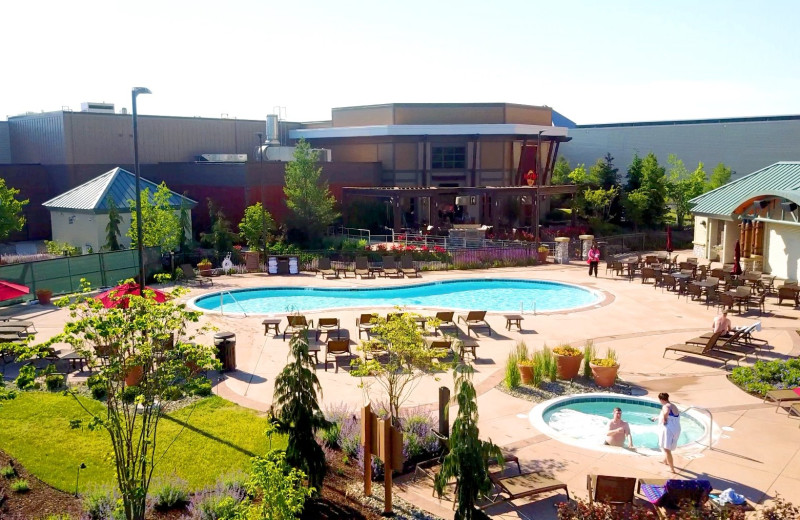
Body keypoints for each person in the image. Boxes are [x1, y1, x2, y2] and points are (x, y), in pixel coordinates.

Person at [653, 392, 681, 473]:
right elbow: (672, 416)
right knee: (668, 446)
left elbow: (666, 412)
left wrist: (664, 420)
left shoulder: (666, 406)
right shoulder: (673, 405)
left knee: (666, 449)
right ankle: (665, 460)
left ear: (661, 399)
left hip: (669, 430)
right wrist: (657, 418)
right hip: (676, 428)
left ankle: (672, 469)